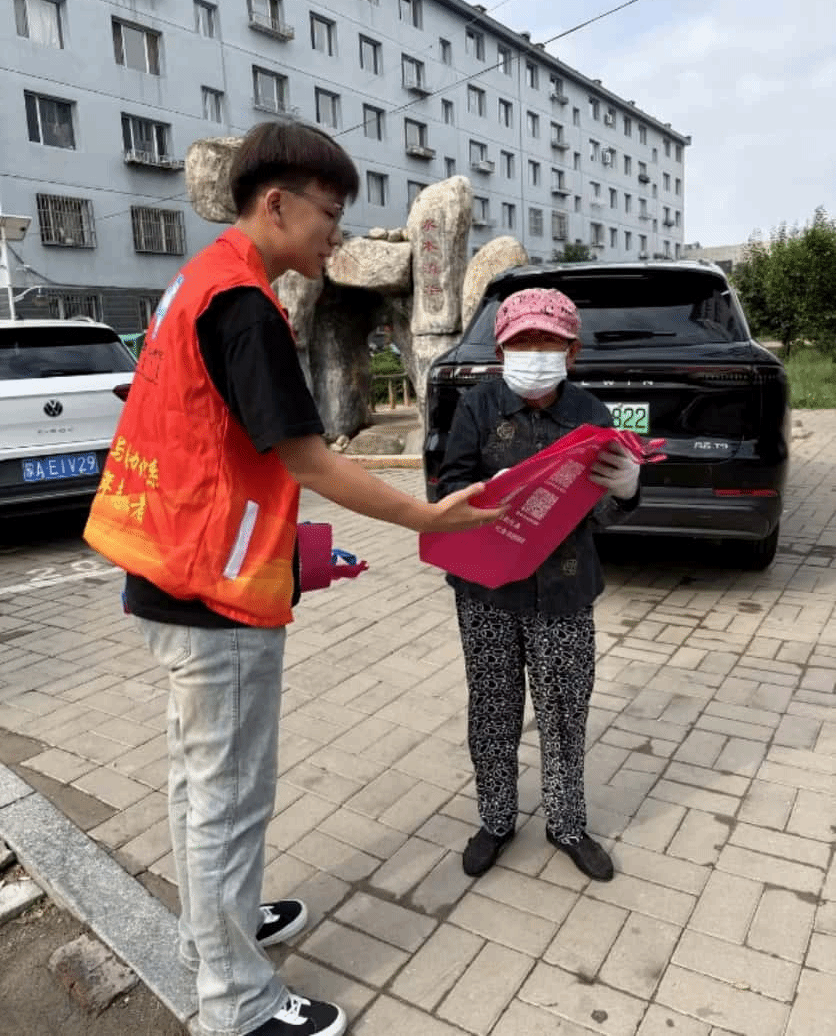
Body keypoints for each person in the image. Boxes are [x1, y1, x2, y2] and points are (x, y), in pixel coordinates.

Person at [83, 121, 501, 1036]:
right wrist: (428, 516)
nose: (336, 237)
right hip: (214, 599)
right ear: (275, 203)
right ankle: (238, 1001)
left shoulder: (195, 282)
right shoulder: (244, 305)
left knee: (198, 784)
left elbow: (217, 449)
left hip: (166, 570)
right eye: (329, 214)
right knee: (228, 802)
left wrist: (294, 550)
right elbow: (310, 459)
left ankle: (212, 932)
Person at [435, 287, 641, 883]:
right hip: (487, 589)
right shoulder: (477, 407)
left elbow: (604, 508)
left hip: (564, 589)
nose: (533, 352)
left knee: (564, 709)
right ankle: (496, 819)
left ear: (571, 352)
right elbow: (446, 488)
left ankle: (567, 823)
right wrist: (488, 492)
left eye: (547, 342)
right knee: (492, 707)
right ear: (501, 351)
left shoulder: (591, 414)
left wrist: (627, 490)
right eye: (521, 342)